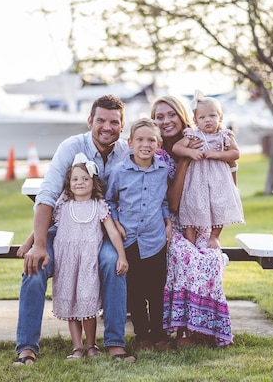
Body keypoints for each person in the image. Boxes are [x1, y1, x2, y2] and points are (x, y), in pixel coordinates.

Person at [13, 94, 135, 365]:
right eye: (100, 120)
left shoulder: (128, 151)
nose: (107, 126)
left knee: (113, 261)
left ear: (122, 125)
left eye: (114, 122)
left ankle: (115, 343)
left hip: (105, 230)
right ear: (90, 120)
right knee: (35, 266)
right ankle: (27, 347)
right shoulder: (71, 147)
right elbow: (47, 197)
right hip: (67, 230)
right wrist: (39, 243)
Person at [152, 95, 234, 347]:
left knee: (209, 257)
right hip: (171, 222)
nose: (166, 121)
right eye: (159, 117)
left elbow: (229, 180)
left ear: (182, 116)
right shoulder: (157, 153)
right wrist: (187, 158)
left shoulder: (203, 137)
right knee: (184, 255)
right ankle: (183, 330)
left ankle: (207, 328)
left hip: (202, 218)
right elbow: (173, 205)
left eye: (171, 114)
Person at [51, 153, 129, 360]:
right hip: (66, 264)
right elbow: (45, 225)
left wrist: (122, 256)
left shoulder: (99, 206)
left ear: (93, 183)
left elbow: (112, 232)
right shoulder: (63, 205)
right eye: (75, 179)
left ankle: (91, 345)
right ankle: (77, 346)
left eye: (85, 179)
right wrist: (30, 243)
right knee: (71, 305)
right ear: (69, 182)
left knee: (87, 304)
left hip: (88, 263)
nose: (80, 183)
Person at [105, 118, 173, 352]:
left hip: (154, 239)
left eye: (151, 140)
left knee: (156, 289)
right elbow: (110, 201)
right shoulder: (119, 172)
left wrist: (167, 221)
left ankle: (159, 333)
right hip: (130, 238)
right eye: (140, 140)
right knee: (135, 289)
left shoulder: (163, 170)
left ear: (159, 144)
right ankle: (142, 334)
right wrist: (116, 223)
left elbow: (164, 200)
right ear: (130, 143)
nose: (146, 144)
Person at [172, 90, 244, 248]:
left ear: (221, 117)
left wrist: (219, 154)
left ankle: (214, 236)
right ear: (196, 121)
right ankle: (189, 238)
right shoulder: (193, 135)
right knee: (192, 204)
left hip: (218, 180)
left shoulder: (224, 135)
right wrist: (190, 152)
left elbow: (236, 153)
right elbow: (177, 148)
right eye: (202, 117)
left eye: (212, 116)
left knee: (219, 205)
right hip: (197, 180)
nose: (208, 120)